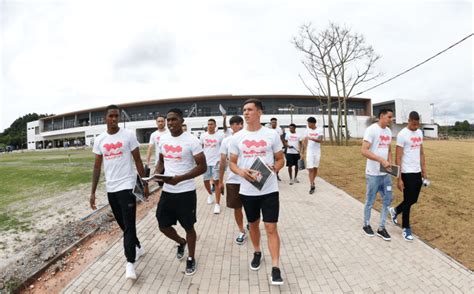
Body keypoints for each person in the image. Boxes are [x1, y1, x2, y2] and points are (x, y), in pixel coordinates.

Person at [229, 98, 285, 286]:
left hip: (269, 190)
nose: (245, 113)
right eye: (244, 110)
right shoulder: (237, 137)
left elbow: (280, 159)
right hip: (247, 190)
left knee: (271, 227)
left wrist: (274, 169)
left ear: (259, 112)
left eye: (250, 109)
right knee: (253, 225)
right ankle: (257, 252)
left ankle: (276, 267)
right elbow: (232, 163)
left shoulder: (271, 134)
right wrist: (241, 172)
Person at [90, 104, 147, 280]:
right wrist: (92, 192)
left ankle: (130, 263)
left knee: (129, 224)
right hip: (111, 188)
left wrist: (144, 183)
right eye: (111, 116)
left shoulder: (128, 136)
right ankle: (137, 246)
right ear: (105, 118)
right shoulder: (100, 140)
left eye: (117, 116)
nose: (114, 119)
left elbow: (138, 160)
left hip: (127, 186)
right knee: (123, 224)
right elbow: (97, 167)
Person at [154, 108, 207, 276]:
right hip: (168, 191)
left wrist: (181, 178)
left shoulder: (191, 140)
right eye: (168, 120)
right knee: (163, 225)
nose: (170, 123)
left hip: (186, 191)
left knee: (188, 226)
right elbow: (161, 161)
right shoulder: (162, 139)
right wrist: (157, 175)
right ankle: (180, 242)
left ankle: (191, 258)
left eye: (174, 119)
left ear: (182, 121)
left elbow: (202, 167)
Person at [389, 111, 426, 241]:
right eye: (414, 124)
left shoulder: (420, 133)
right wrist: (399, 178)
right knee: (408, 200)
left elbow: (421, 152)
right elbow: (397, 157)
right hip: (406, 172)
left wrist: (424, 170)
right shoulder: (402, 135)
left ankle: (395, 211)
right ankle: (406, 228)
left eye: (417, 124)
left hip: (417, 171)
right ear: (409, 120)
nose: (416, 127)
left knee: (413, 200)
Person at [361, 108, 394, 241]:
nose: (391, 120)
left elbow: (389, 149)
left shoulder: (389, 131)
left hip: (385, 174)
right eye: (389, 117)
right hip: (373, 173)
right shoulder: (371, 130)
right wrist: (381, 160)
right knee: (370, 200)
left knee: (387, 199)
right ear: (381, 116)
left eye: (392, 117)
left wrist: (389, 162)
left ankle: (381, 228)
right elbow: (363, 150)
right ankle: (366, 224)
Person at [218, 115, 246, 245]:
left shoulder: (249, 138)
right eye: (235, 124)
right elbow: (222, 161)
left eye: (240, 123)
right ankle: (241, 230)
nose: (239, 126)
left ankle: (252, 223)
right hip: (233, 180)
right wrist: (220, 181)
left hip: (249, 179)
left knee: (253, 207)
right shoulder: (226, 141)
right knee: (237, 207)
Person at [200, 118, 225, 213]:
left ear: (215, 125)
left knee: (216, 182)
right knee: (205, 180)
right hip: (206, 162)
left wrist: (223, 160)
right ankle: (210, 194)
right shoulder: (203, 136)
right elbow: (201, 148)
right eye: (208, 124)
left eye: (211, 124)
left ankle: (217, 204)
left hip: (216, 162)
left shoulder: (220, 136)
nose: (210, 126)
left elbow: (223, 149)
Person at [146, 116, 168, 187]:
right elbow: (150, 148)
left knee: (170, 183)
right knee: (161, 183)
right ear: (156, 123)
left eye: (162, 121)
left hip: (170, 162)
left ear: (165, 122)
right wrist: (147, 162)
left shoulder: (169, 133)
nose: (160, 123)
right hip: (159, 164)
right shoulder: (153, 134)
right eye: (159, 121)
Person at [303, 117, 323, 194]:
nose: (308, 125)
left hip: (317, 151)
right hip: (309, 152)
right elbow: (305, 141)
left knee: (315, 168)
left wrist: (312, 138)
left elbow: (320, 140)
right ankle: (311, 185)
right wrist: (302, 152)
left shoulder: (319, 130)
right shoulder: (307, 130)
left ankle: (313, 181)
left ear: (313, 123)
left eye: (309, 123)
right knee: (310, 168)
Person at [269, 117, 284, 181]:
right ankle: (271, 175)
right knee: (271, 162)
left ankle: (277, 174)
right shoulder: (268, 129)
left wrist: (283, 146)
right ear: (271, 123)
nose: (274, 123)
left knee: (278, 161)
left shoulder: (279, 129)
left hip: (278, 148)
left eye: (275, 122)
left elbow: (281, 138)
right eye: (273, 122)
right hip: (270, 148)